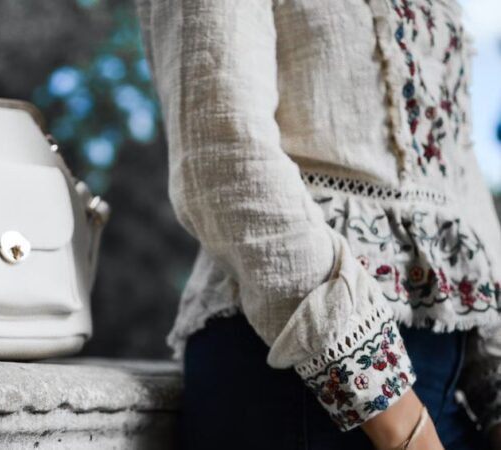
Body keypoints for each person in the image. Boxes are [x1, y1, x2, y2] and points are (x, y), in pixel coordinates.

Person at [134, 0, 501, 448]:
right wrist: (396, 416)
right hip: (305, 377)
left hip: (445, 387)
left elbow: (459, 185)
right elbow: (224, 159)